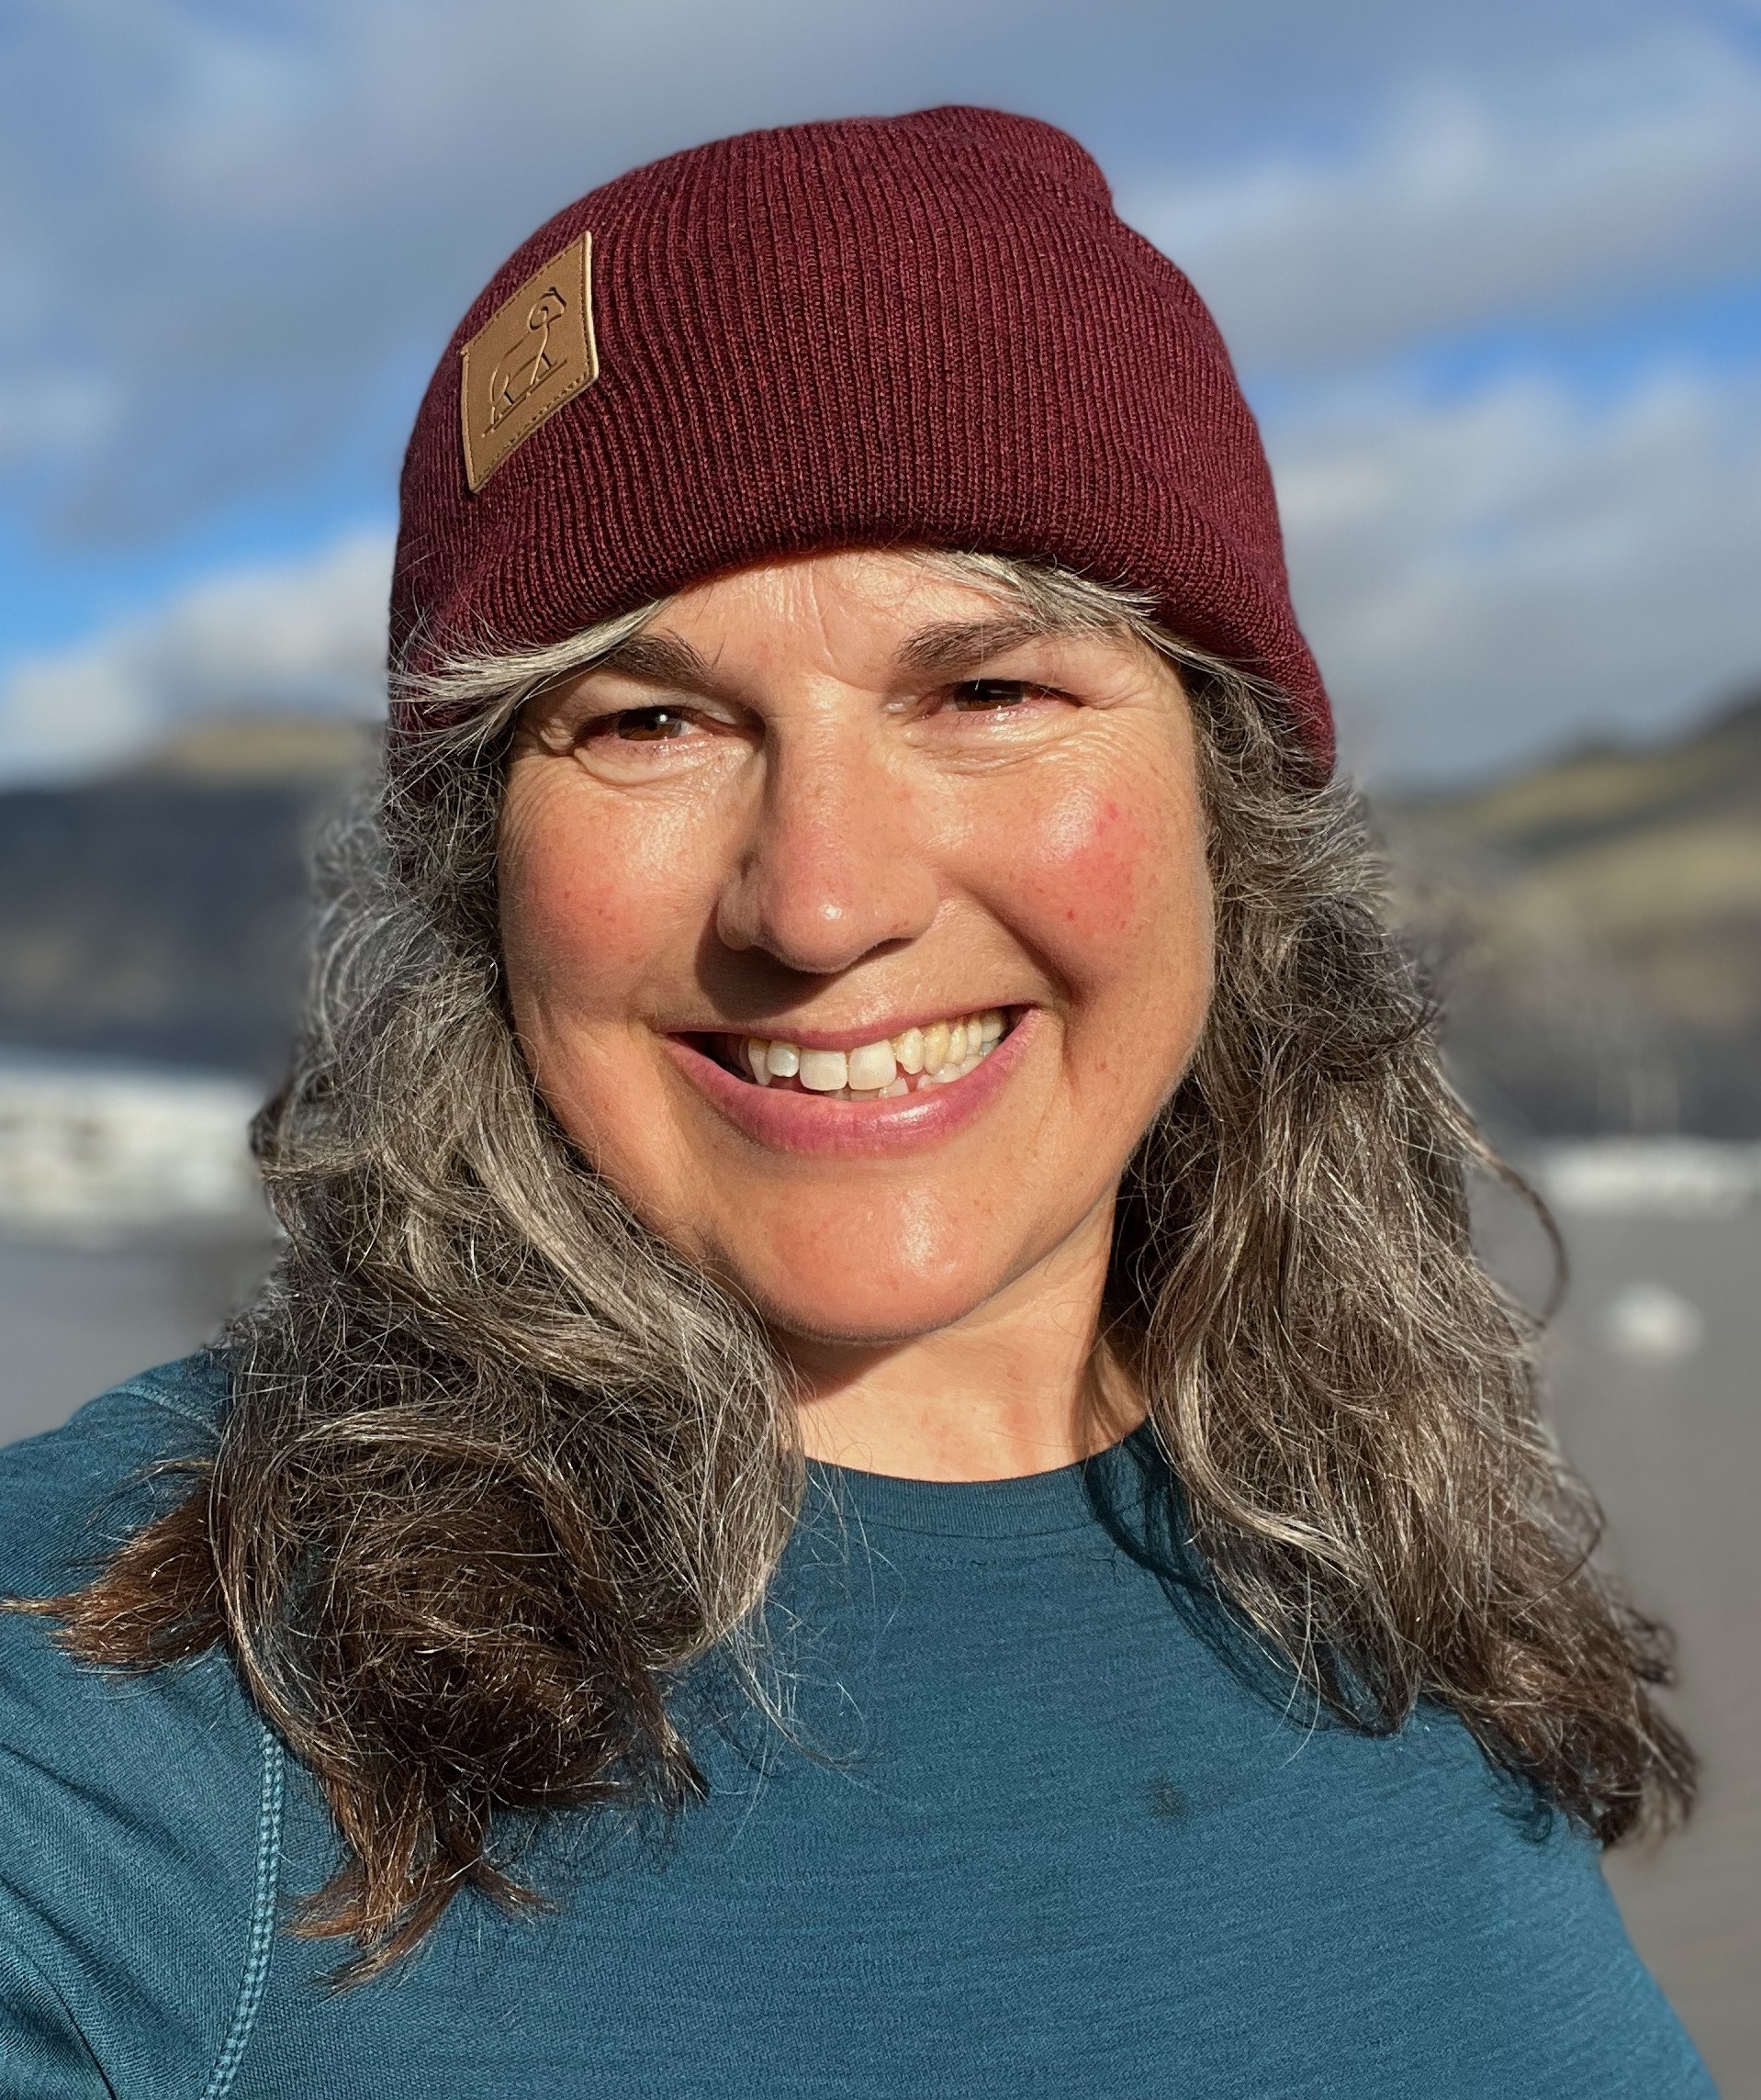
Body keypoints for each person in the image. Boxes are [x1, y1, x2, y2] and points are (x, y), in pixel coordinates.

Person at [0, 107, 1713, 2097]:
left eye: (984, 692)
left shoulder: (1393, 1562)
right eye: (648, 719)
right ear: (477, 869)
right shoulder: (128, 1703)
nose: (818, 902)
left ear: (1224, 799)